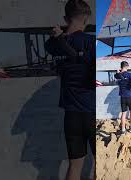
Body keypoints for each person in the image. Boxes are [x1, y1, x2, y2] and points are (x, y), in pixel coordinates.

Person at [44, 0, 94, 179]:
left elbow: (51, 46)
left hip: (71, 114)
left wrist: (58, 35)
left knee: (75, 165)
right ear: (86, 20)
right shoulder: (90, 42)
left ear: (66, 18)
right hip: (91, 111)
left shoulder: (53, 44)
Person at [114, 61, 131, 135]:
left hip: (122, 97)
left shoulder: (117, 75)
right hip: (129, 95)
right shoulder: (129, 75)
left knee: (123, 113)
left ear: (121, 67)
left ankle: (123, 130)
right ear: (126, 66)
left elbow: (116, 76)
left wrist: (118, 72)